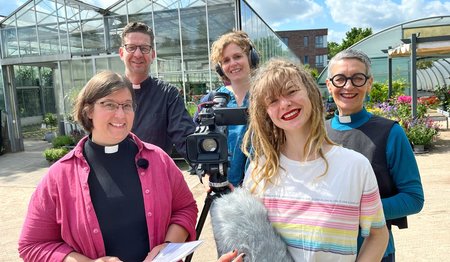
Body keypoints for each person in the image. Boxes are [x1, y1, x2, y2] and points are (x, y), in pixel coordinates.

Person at [18, 71, 198, 261]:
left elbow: (185, 208)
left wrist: (168, 247)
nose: (120, 114)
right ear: (88, 111)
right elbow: (32, 244)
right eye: (109, 104)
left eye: (127, 105)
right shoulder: (60, 176)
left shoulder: (159, 160)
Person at [241, 59, 389, 261]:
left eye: (291, 91)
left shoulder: (355, 166)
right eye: (273, 100)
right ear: (266, 113)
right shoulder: (258, 171)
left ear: (310, 93)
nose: (284, 103)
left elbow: (378, 235)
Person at [325, 49, 424, 261]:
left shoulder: (390, 133)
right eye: (340, 79)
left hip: (376, 251)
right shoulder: (316, 134)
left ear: (369, 83)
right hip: (325, 252)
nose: (348, 86)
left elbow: (414, 198)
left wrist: (357, 211)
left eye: (357, 78)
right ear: (329, 85)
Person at [119, 21, 195, 159]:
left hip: (154, 175)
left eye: (144, 48)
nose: (137, 54)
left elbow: (185, 137)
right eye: (131, 47)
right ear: (121, 53)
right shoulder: (108, 91)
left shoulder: (167, 94)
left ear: (153, 55)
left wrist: (203, 165)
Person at [195, 30, 259, 187]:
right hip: (222, 185)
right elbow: (196, 141)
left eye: (237, 56)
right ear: (220, 67)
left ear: (251, 58)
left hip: (259, 185)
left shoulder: (266, 96)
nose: (233, 64)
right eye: (226, 60)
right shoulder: (211, 100)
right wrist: (206, 173)